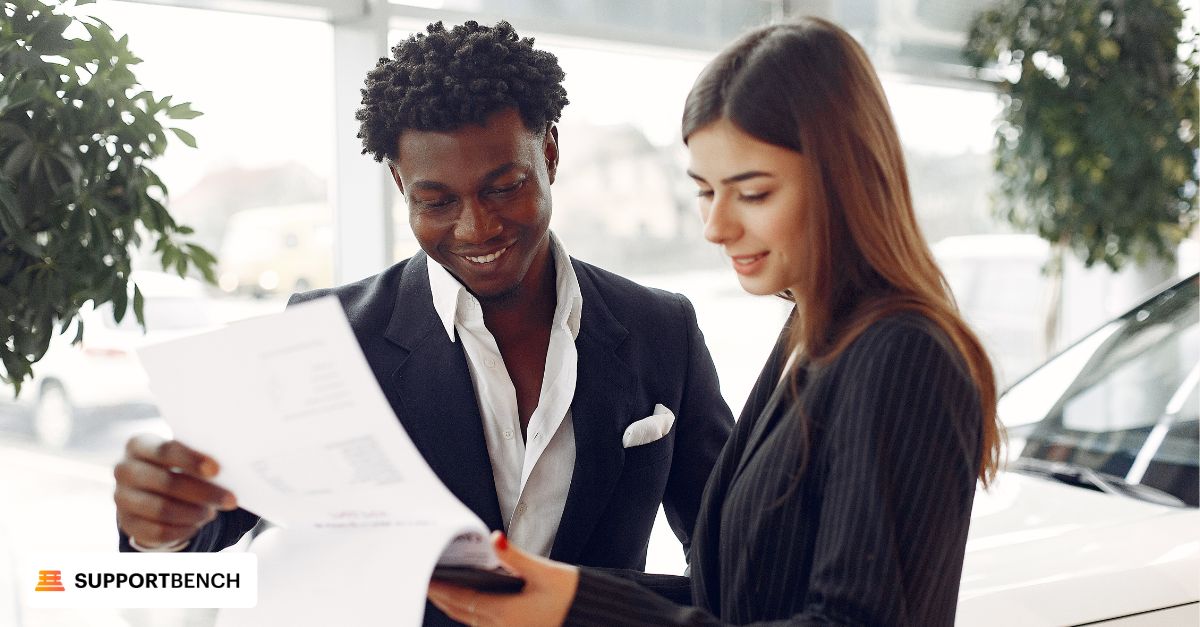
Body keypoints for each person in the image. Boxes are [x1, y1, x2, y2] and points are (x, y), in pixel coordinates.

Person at [111, 20, 734, 626]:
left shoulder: (661, 330)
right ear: (399, 182)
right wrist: (158, 521)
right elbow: (209, 532)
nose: (476, 228)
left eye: (504, 187)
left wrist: (586, 605)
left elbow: (737, 559)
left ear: (548, 152)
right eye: (436, 202)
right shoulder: (329, 336)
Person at [427, 16, 1003, 627]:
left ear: (845, 180)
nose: (716, 227)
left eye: (752, 193)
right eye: (705, 191)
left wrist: (578, 607)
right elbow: (737, 600)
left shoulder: (900, 353)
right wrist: (563, 592)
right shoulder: (810, 334)